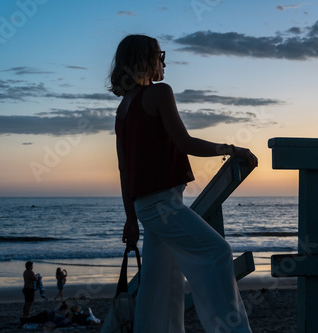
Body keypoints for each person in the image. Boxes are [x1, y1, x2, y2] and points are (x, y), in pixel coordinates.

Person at [110, 34, 257, 332]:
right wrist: (231, 148)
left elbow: (124, 171)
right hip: (162, 204)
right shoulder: (159, 93)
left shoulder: (123, 109)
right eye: (159, 55)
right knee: (217, 253)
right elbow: (185, 142)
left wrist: (130, 218)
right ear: (145, 60)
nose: (163, 61)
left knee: (161, 281)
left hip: (146, 208)